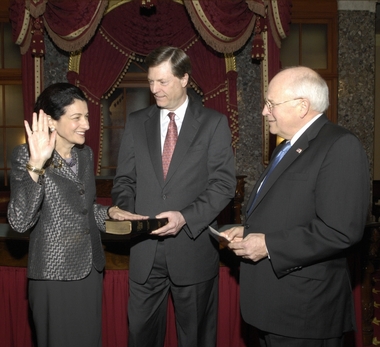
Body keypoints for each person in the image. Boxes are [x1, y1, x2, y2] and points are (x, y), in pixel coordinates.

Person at [221, 66, 370, 347]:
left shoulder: (339, 145)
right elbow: (291, 210)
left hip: (305, 312)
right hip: (273, 308)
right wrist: (249, 230)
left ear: (302, 106)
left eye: (271, 104)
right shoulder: (285, 147)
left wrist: (268, 245)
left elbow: (341, 230)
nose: (265, 112)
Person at [108, 46, 236, 347]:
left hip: (192, 251)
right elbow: (124, 180)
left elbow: (223, 184)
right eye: (151, 82)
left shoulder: (213, 123)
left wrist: (186, 217)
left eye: (163, 82)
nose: (155, 89)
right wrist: (125, 210)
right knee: (140, 337)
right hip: (144, 252)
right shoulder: (137, 121)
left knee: (196, 339)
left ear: (184, 79)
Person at [7, 83, 143, 347]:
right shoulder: (26, 155)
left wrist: (111, 212)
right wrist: (37, 164)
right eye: (77, 117)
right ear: (51, 121)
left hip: (90, 270)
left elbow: (84, 208)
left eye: (88, 117)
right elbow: (20, 221)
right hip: (53, 276)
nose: (87, 125)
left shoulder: (85, 154)